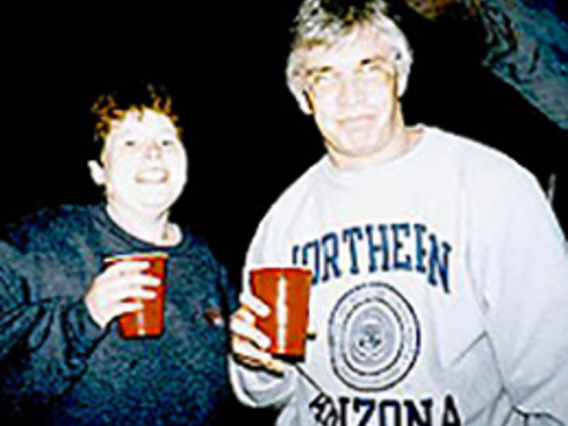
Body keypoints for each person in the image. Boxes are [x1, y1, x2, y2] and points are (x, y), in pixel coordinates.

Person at [229, 0, 568, 425]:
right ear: (304, 99)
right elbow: (270, 392)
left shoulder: (492, 188)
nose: (350, 95)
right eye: (325, 77)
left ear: (400, 77)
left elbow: (557, 386)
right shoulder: (284, 222)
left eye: (369, 68)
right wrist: (253, 360)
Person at [0, 82, 237, 425]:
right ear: (99, 172)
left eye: (167, 141)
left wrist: (249, 355)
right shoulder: (38, 246)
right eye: (130, 142)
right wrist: (84, 317)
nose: (153, 153)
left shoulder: (206, 261)